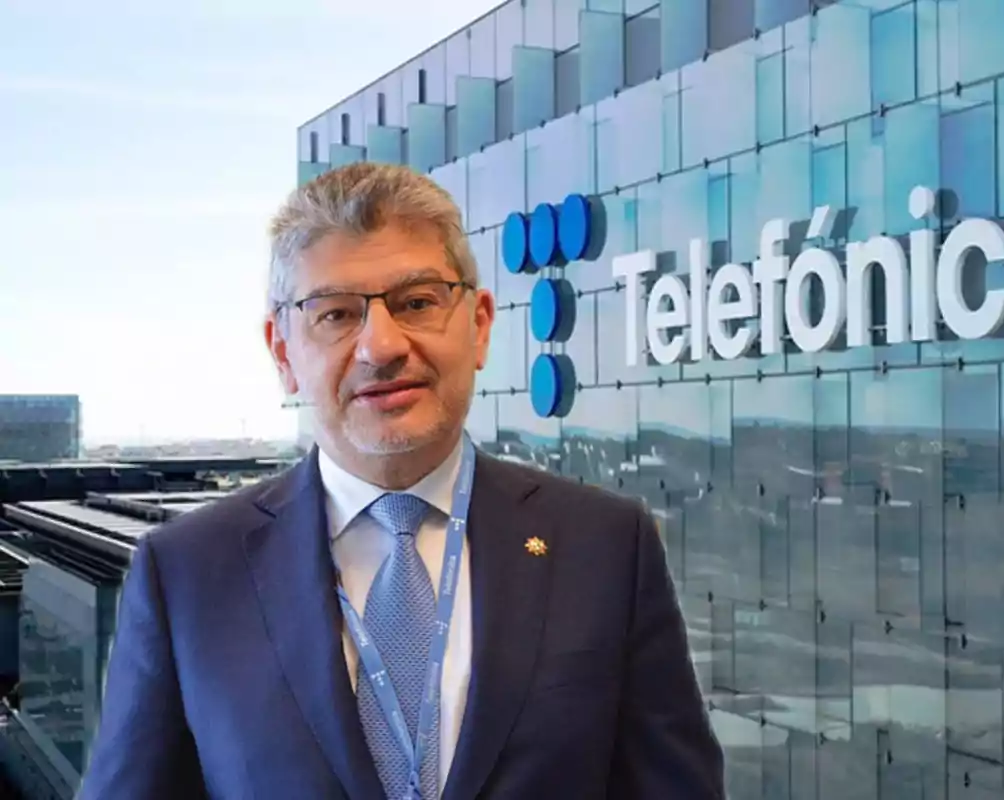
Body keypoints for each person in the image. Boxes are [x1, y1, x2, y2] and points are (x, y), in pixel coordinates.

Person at [78, 163, 725, 799]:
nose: (381, 346)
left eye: (416, 302)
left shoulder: (607, 546)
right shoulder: (187, 574)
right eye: (335, 314)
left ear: (477, 327)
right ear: (283, 353)